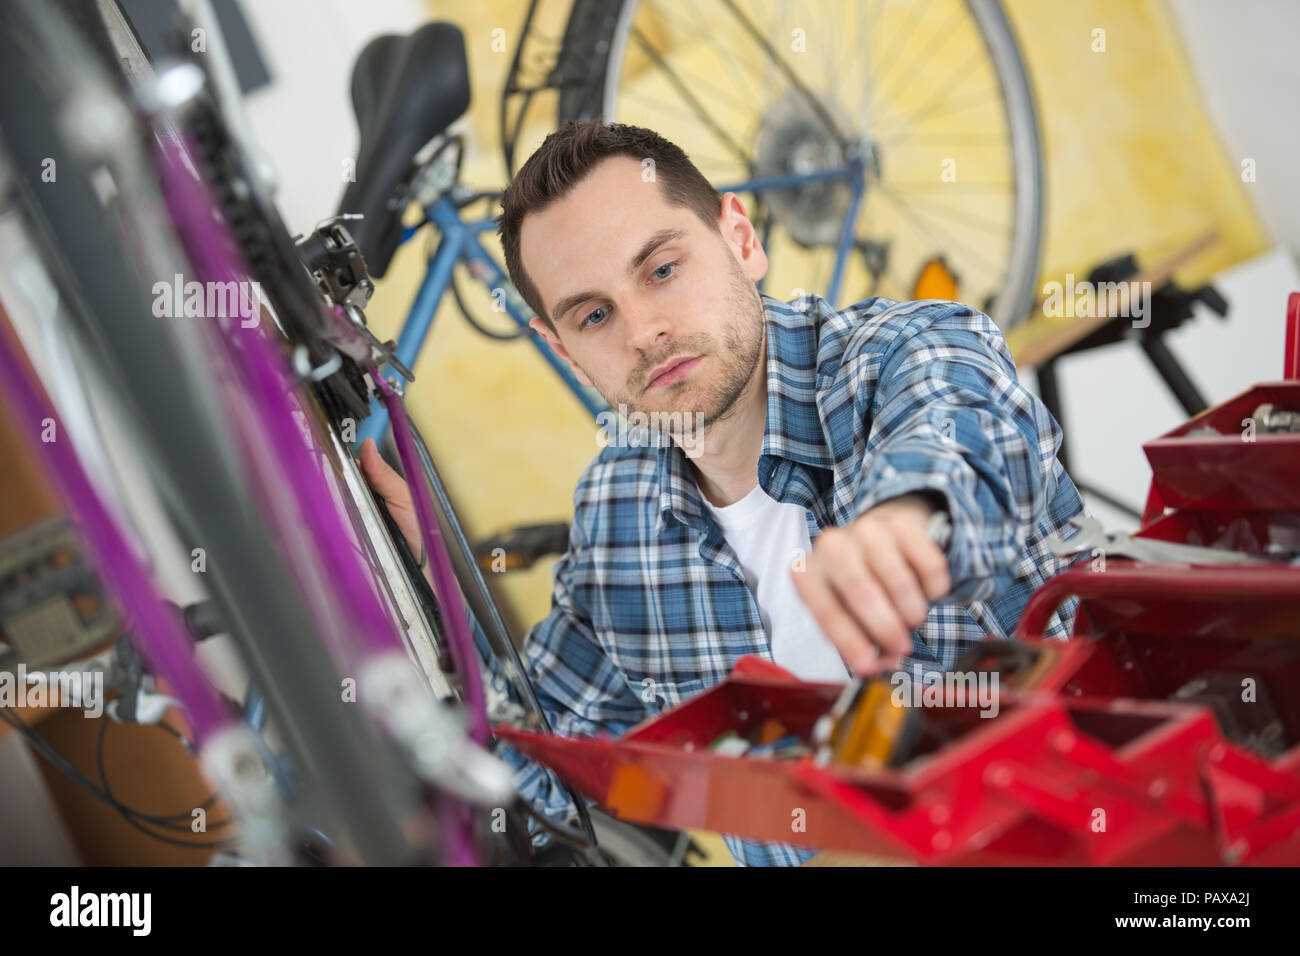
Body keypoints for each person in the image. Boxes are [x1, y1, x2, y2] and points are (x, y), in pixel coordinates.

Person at [360, 120, 1084, 866]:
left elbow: (957, 435)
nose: (643, 331)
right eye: (595, 315)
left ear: (740, 238)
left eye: (662, 269)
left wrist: (903, 524)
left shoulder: (900, 353)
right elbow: (543, 774)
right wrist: (430, 582)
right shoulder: (618, 521)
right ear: (562, 349)